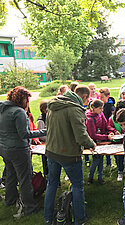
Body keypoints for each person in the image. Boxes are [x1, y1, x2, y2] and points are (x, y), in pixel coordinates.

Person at [44, 85, 96, 225]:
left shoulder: (53, 104)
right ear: (84, 97)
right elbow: (81, 136)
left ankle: (48, 218)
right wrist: (91, 143)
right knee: (78, 185)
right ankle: (80, 218)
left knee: (52, 184)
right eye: (87, 100)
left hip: (51, 150)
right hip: (69, 154)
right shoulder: (74, 109)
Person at [0, 86, 46, 218]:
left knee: (11, 176)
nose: (28, 103)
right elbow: (24, 134)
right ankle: (30, 207)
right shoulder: (18, 112)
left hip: (4, 149)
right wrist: (45, 131)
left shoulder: (3, 109)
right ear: (23, 99)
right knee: (25, 179)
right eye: (28, 100)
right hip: (18, 150)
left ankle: (9, 201)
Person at [85, 99, 115, 185]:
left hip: (102, 141)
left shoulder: (100, 114)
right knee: (96, 160)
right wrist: (107, 136)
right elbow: (92, 135)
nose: (102, 110)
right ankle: (90, 177)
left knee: (101, 159)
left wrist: (112, 130)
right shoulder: (90, 119)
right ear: (93, 108)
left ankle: (100, 177)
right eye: (100, 108)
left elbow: (106, 125)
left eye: (102, 108)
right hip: (94, 142)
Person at [99, 87, 116, 168]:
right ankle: (106, 162)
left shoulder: (111, 107)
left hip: (109, 129)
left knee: (110, 145)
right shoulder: (101, 105)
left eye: (102, 97)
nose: (100, 99)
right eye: (99, 97)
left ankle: (110, 163)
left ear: (107, 96)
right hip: (102, 129)